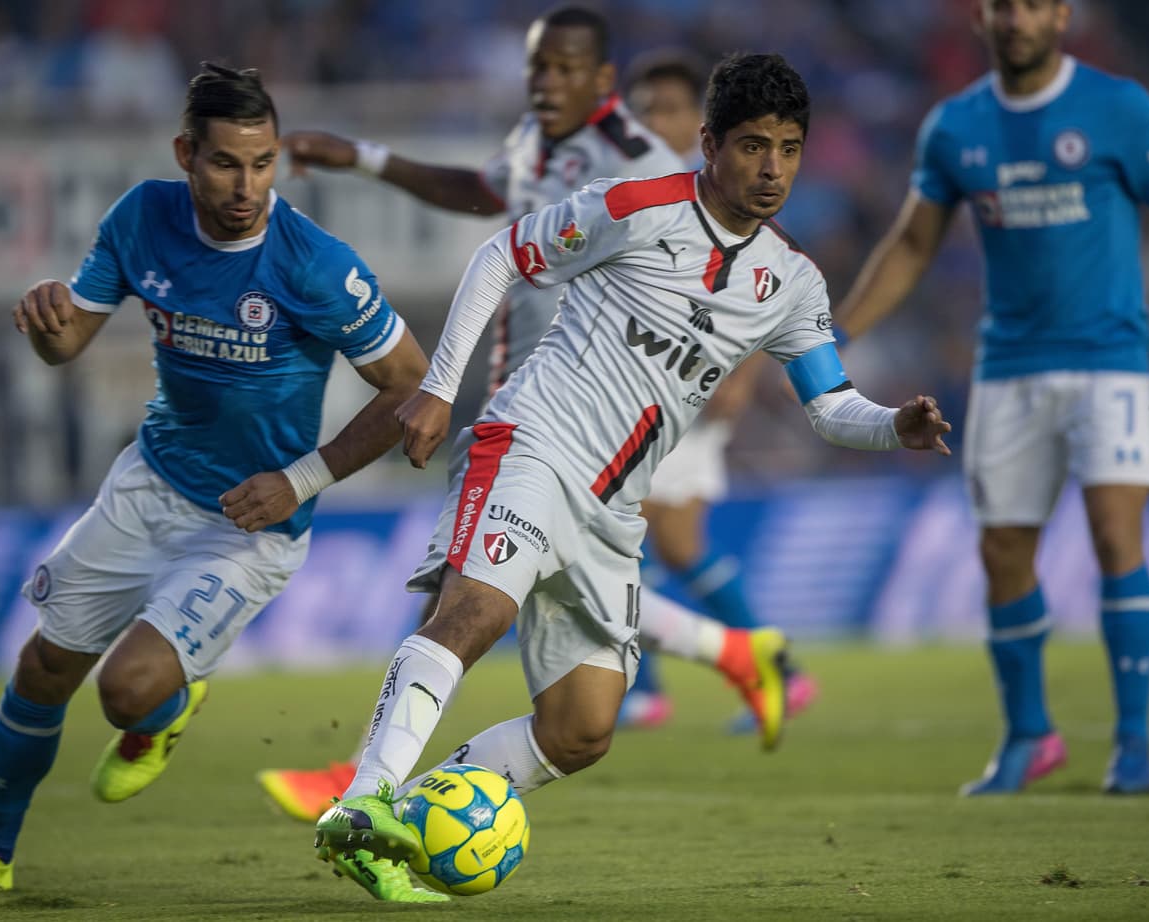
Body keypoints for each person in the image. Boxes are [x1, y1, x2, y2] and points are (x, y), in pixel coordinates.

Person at [312, 51, 951, 898]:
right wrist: (438, 389)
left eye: (790, 149)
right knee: (476, 612)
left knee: (581, 731)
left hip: (614, 513)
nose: (772, 169)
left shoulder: (791, 281)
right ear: (710, 144)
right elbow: (502, 253)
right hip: (534, 443)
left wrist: (893, 427)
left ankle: (414, 819)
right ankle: (360, 804)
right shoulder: (639, 208)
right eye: (754, 146)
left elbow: (831, 406)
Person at [0, 63, 441, 902]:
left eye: (263, 164)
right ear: (186, 153)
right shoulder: (141, 218)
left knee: (127, 693)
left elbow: (411, 380)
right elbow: (69, 344)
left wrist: (299, 481)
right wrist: (47, 325)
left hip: (252, 521)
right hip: (148, 484)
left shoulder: (311, 264)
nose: (247, 186)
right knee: (43, 669)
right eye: (227, 163)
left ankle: (162, 714)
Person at [258, 6, 794, 824]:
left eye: (559, 69)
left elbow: (736, 272)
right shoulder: (536, 146)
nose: (541, 84)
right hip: (531, 400)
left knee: (477, 597)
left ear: (600, 79)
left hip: (600, 412)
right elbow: (483, 194)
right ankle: (728, 650)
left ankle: (365, 783)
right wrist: (364, 159)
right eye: (534, 68)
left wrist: (741, 374)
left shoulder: (643, 164)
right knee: (485, 592)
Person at [833, 0, 1149, 795]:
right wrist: (832, 336)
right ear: (982, 18)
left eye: (1033, 5)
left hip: (1109, 359)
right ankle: (1028, 736)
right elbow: (914, 243)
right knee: (1001, 553)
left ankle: (1132, 745)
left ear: (1063, 16)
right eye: (1004, 5)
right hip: (1008, 365)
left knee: (1118, 538)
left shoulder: (1118, 108)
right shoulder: (955, 127)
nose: (1017, 19)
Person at [620, 49, 818, 731]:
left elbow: (771, 275)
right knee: (659, 546)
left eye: (669, 109)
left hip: (692, 399)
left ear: (700, 128)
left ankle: (754, 671)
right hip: (645, 395)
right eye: (643, 110)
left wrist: (745, 374)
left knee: (647, 538)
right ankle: (743, 674)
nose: (654, 121)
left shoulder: (724, 192)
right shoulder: (641, 193)